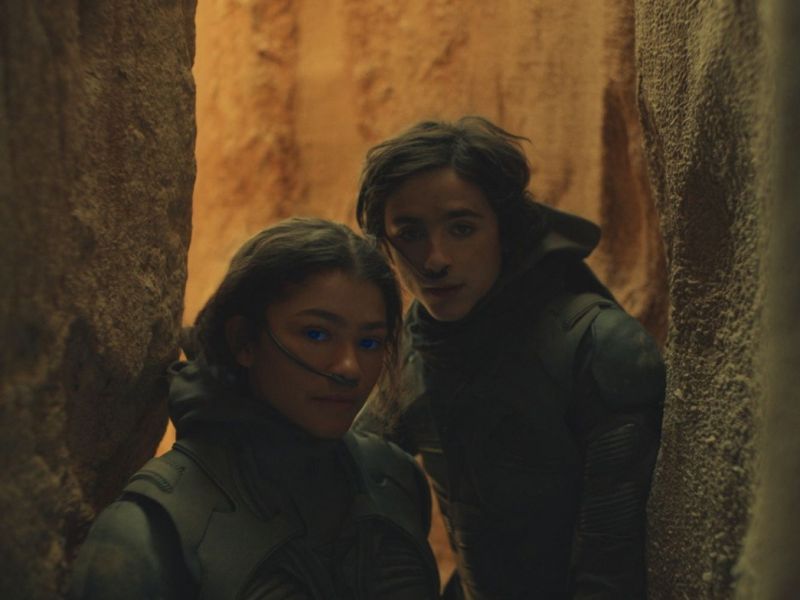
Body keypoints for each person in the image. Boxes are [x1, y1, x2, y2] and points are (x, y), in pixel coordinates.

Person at [354, 116, 665, 599]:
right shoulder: (416, 344)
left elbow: (611, 566)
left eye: (462, 228)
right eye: (410, 233)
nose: (435, 260)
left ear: (504, 229)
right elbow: (348, 472)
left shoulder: (598, 348)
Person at [70, 218, 440, 600]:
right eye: (316, 334)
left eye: (370, 342)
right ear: (243, 341)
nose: (349, 368)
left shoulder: (394, 479)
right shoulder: (150, 531)